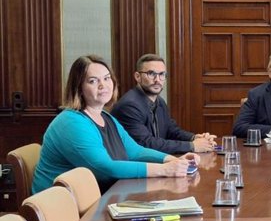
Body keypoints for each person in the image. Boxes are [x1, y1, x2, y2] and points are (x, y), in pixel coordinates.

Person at [32, 55, 197, 194]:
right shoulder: (72, 122)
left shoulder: (105, 116)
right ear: (79, 87)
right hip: (65, 212)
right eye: (93, 81)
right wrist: (164, 170)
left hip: (96, 199)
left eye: (106, 78)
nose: (103, 85)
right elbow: (105, 169)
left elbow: (135, 151)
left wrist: (172, 160)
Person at [111, 54, 216, 154]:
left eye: (162, 74)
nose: (157, 80)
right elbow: (146, 143)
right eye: (151, 74)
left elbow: (171, 130)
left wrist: (194, 138)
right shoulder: (129, 106)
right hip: (135, 167)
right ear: (138, 76)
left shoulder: (159, 101)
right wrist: (192, 146)